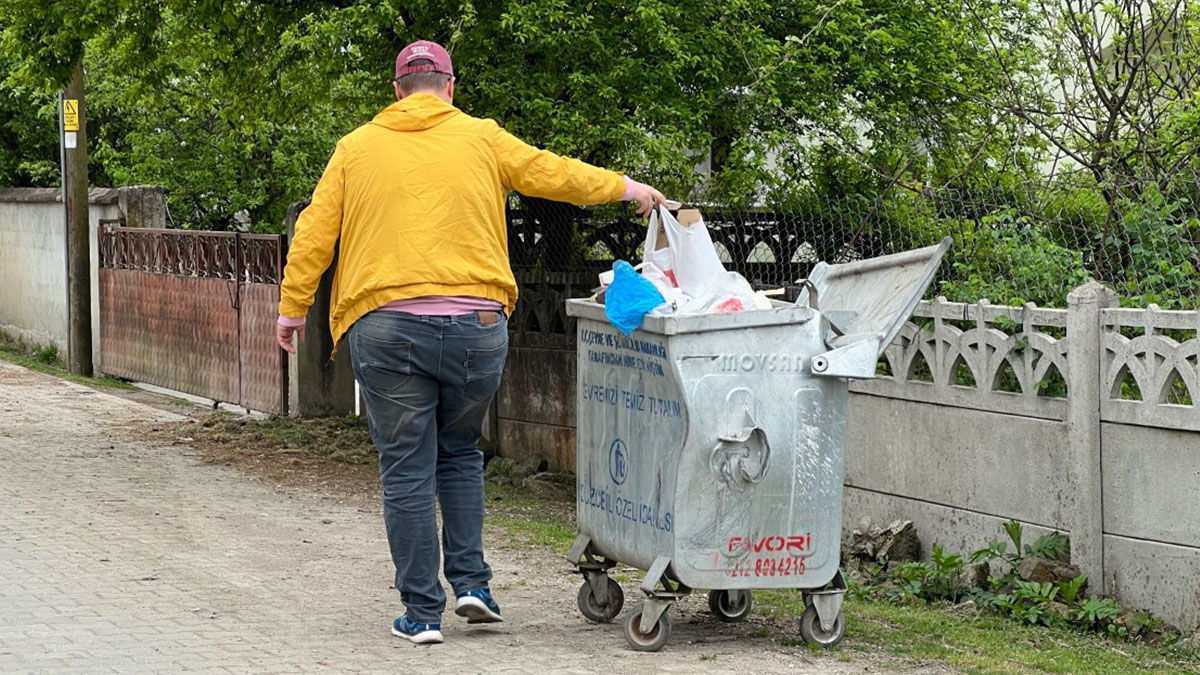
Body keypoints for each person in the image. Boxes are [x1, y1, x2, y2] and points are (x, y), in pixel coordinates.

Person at [275, 40, 666, 645]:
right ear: (450, 87)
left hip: (386, 324)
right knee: (458, 453)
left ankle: (422, 614)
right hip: (476, 328)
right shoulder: (482, 137)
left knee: (406, 468)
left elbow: (314, 235)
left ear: (397, 90)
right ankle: (475, 588)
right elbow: (552, 172)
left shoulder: (356, 148)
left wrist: (292, 309)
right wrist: (627, 187)